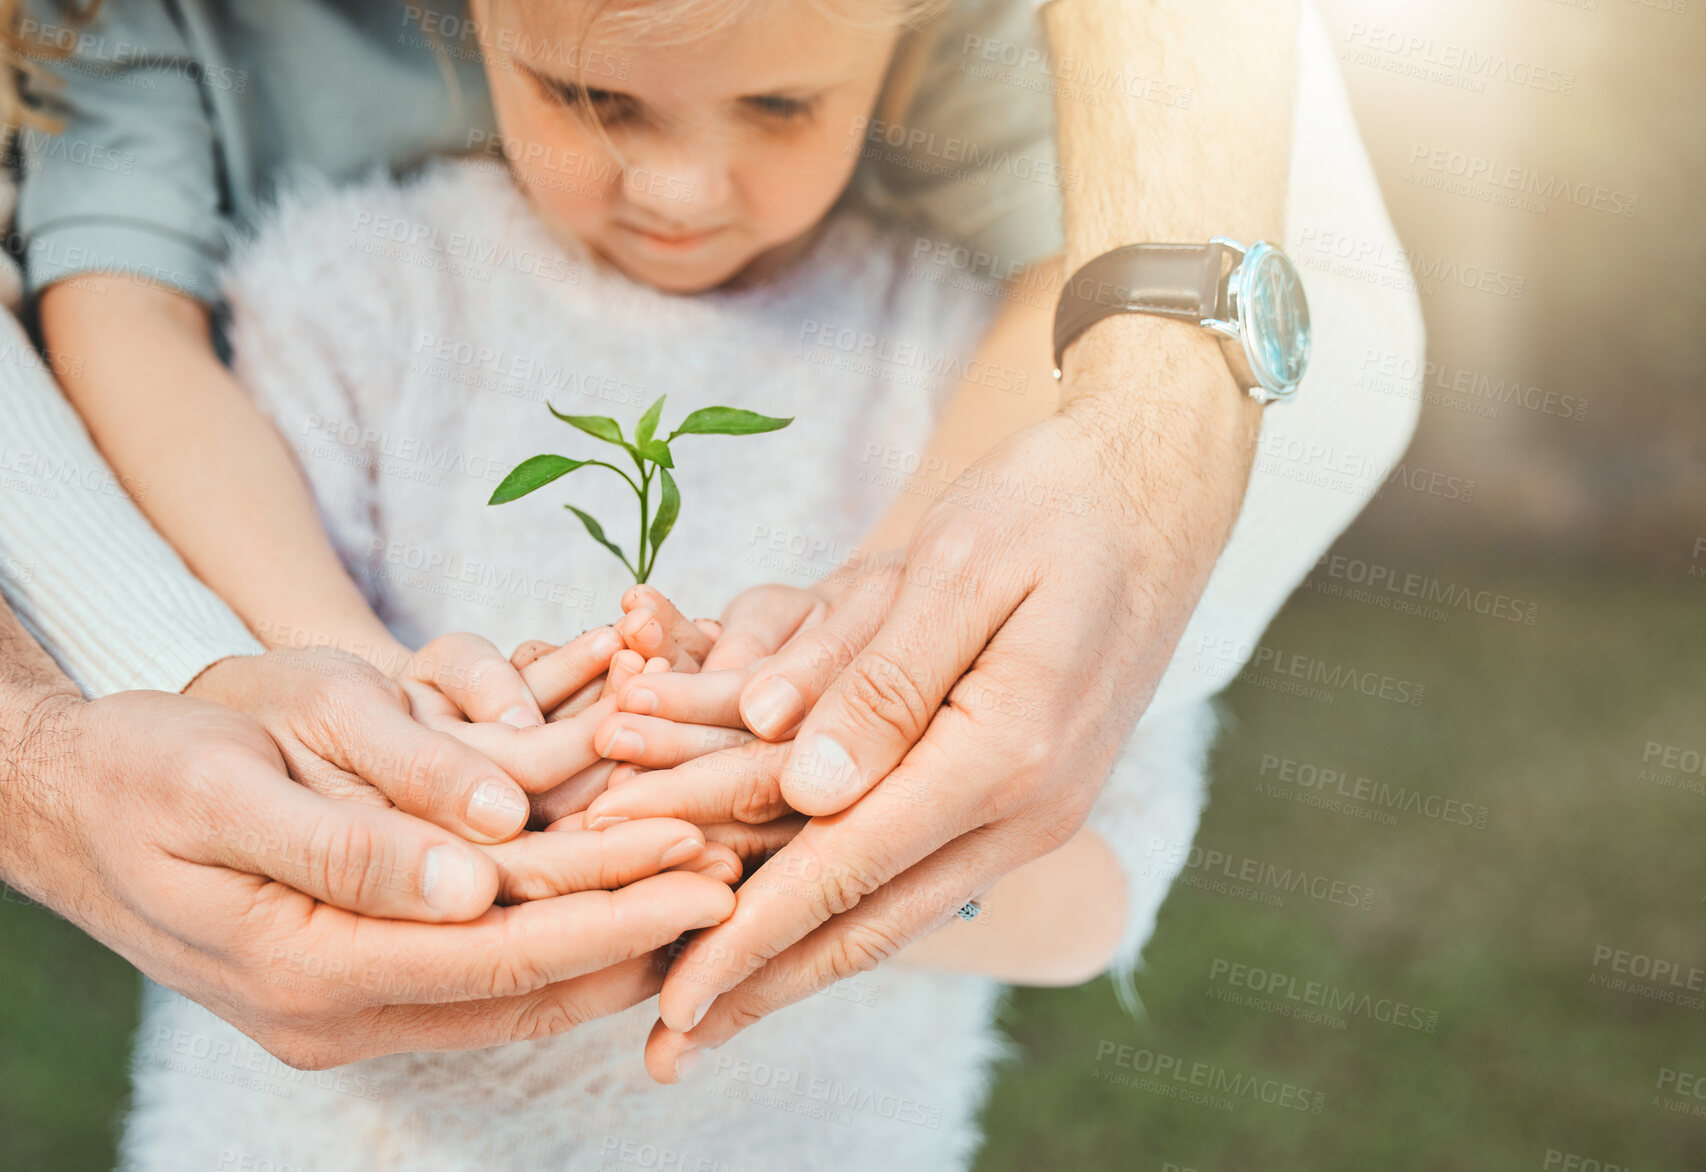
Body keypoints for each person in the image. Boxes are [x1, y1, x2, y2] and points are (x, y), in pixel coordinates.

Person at [114, 0, 1419, 1167]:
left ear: (898, 63)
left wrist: (788, 853)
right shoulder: (356, 295)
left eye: (779, 105)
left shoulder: (983, 385)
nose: (679, 184)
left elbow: (1092, 888)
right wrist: (432, 780)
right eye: (597, 98)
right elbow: (211, 717)